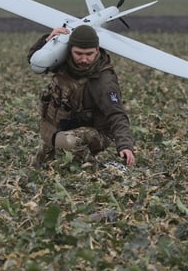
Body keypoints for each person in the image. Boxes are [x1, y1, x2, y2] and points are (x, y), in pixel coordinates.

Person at [28, 24, 136, 169]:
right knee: (40, 165)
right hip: (67, 126)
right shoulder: (64, 62)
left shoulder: (104, 81)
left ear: (97, 50)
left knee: (66, 141)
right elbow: (34, 61)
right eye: (79, 54)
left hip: (97, 133)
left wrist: (125, 146)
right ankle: (72, 159)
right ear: (70, 50)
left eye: (89, 54)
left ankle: (98, 169)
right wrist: (47, 40)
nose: (84, 59)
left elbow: (116, 114)